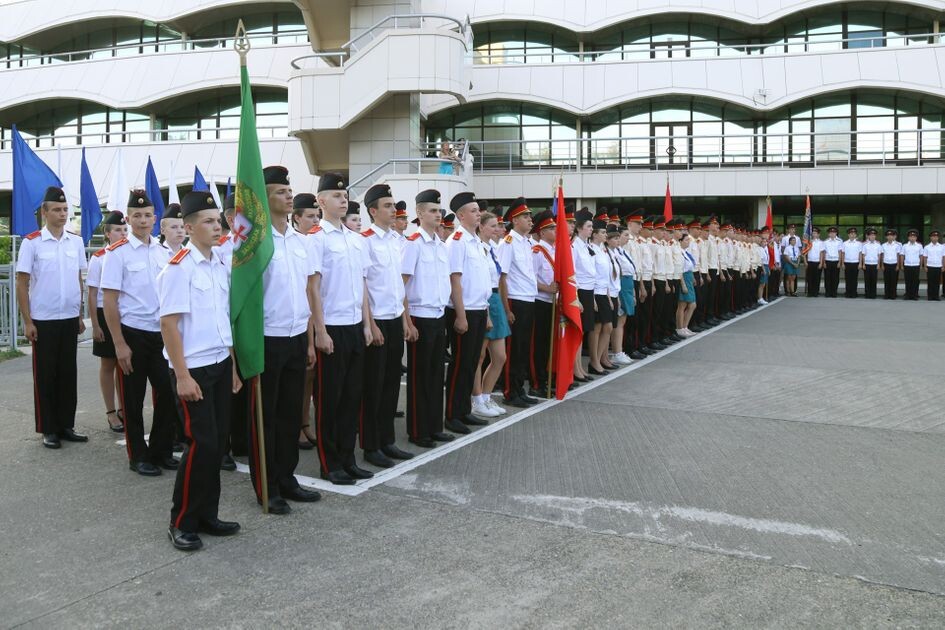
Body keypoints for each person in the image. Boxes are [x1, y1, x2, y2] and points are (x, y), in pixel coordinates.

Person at [157, 191, 242, 552]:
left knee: (217, 444)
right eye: (208, 221)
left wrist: (234, 367)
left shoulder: (220, 264)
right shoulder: (178, 267)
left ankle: (207, 514)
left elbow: (225, 321)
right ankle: (182, 521)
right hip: (194, 369)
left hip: (221, 365)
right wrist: (182, 376)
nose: (217, 226)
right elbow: (169, 325)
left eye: (217, 220)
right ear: (189, 228)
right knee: (200, 445)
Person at [248, 165, 322, 509]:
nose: (289, 195)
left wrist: (308, 341)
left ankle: (287, 477)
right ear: (264, 197)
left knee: (291, 413)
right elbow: (247, 297)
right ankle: (267, 486)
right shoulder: (255, 242)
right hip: (267, 337)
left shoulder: (299, 241)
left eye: (289, 190)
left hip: (295, 336)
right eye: (280, 191)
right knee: (267, 416)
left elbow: (307, 293)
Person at [100, 190, 176, 475]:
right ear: (128, 219)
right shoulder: (116, 253)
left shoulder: (163, 252)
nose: (143, 221)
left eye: (147, 215)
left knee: (168, 394)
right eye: (137, 216)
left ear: (155, 219)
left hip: (160, 334)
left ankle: (161, 450)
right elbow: (109, 301)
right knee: (132, 399)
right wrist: (119, 344)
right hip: (132, 333)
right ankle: (138, 456)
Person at [309, 172, 375, 486]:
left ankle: (348, 458)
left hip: (354, 327)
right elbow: (313, 287)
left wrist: (366, 324)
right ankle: (329, 461)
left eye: (344, 195)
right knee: (329, 400)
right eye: (336, 196)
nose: (342, 199)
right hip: (332, 328)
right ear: (321, 201)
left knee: (352, 397)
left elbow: (361, 284)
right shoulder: (316, 238)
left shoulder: (355, 239)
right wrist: (320, 331)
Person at [15, 186, 89, 450]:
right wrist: (27, 321)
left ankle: (66, 425)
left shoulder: (76, 242)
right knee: (46, 375)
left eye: (65, 209)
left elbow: (77, 280)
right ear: (44, 212)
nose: (62, 214)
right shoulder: (32, 242)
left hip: (68, 317)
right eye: (56, 209)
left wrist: (80, 314)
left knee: (68, 373)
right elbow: (22, 283)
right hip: (43, 319)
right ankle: (48, 428)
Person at [357, 184, 414, 468]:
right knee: (374, 386)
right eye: (389, 206)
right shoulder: (366, 240)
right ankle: (370, 445)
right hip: (377, 319)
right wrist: (370, 324)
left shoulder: (395, 240)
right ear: (373, 211)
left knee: (392, 382)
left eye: (394, 206)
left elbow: (397, 286)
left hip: (394, 318)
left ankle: (387, 440)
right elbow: (364, 285)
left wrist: (405, 319)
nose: (394, 210)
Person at [401, 189, 452, 448]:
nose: (438, 215)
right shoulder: (413, 244)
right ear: (419, 213)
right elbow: (403, 285)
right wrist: (408, 322)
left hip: (438, 315)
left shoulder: (440, 246)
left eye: (439, 211)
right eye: (432, 211)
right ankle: (419, 430)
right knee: (420, 378)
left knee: (434, 376)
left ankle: (435, 425)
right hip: (420, 317)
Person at [443, 191, 493, 429]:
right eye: (473, 211)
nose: (478, 214)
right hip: (464, 311)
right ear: (461, 215)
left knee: (472, 362)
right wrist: (461, 315)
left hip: (479, 309)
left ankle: (464, 410)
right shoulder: (457, 241)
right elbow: (455, 280)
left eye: (478, 210)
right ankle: (452, 414)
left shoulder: (476, 242)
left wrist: (486, 312)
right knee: (460, 364)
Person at [88, 211, 129, 433]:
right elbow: (93, 294)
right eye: (117, 230)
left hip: (127, 314)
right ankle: (111, 412)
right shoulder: (100, 257)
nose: (122, 234)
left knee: (125, 364)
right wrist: (95, 324)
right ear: (107, 233)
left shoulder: (130, 254)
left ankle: (124, 408)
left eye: (125, 230)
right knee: (108, 364)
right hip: (105, 313)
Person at [498, 198, 539, 407]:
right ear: (514, 220)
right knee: (513, 349)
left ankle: (520, 389)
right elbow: (502, 277)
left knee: (524, 348)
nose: (530, 220)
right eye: (525, 216)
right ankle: (510, 391)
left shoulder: (528, 242)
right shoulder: (508, 243)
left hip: (529, 299)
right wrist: (506, 309)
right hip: (515, 301)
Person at [472, 211, 510, 419]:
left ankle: (486, 395)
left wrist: (504, 307)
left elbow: (500, 279)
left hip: (495, 300)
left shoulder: (493, 248)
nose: (498, 229)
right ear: (482, 227)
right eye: (493, 226)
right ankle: (477, 399)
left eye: (498, 225)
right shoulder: (478, 248)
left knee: (500, 356)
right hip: (485, 300)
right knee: (479, 356)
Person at [291, 192, 320, 451]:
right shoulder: (295, 242)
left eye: (317, 215)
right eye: (309, 216)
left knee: (311, 379)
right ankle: (298, 426)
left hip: (312, 318)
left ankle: (306, 423)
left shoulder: (312, 242)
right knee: (300, 379)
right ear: (296, 218)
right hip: (295, 321)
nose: (315, 220)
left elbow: (314, 290)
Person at [530, 210, 559, 393]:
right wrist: (547, 288)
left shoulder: (555, 251)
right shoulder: (537, 252)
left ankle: (546, 377)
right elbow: (530, 278)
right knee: (538, 345)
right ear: (541, 232)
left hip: (552, 303)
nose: (556, 231)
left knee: (549, 344)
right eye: (551, 228)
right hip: (540, 302)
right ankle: (537, 383)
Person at [588, 221, 617, 374]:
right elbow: (591, 275)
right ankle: (594, 361)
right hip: (594, 293)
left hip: (604, 293)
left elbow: (606, 276)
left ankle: (598, 359)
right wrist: (592, 299)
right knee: (597, 328)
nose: (606, 235)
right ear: (594, 235)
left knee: (608, 327)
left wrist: (608, 297)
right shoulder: (591, 249)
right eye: (603, 232)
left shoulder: (602, 250)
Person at [571, 210, 596, 380]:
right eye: (588, 226)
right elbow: (572, 273)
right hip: (579, 291)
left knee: (584, 332)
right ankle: (575, 369)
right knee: (578, 333)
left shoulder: (586, 246)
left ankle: (579, 367)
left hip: (589, 290)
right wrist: (576, 298)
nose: (591, 230)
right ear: (579, 228)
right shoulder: (574, 246)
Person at [612, 222, 636, 364]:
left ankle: (619, 350)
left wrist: (632, 292)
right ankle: (617, 352)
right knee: (619, 320)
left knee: (623, 319)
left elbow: (631, 271)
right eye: (625, 235)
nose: (628, 238)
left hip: (628, 284)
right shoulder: (614, 252)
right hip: (620, 285)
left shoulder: (623, 251)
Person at [676, 232, 698, 337]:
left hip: (689, 277)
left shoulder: (686, 252)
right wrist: (683, 284)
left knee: (692, 305)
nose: (688, 242)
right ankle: (680, 328)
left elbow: (690, 267)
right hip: (683, 278)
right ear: (680, 241)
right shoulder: (679, 252)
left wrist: (693, 278)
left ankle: (685, 327)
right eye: (686, 240)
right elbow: (680, 269)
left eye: (689, 240)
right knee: (682, 305)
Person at [880, 229, 903, 299]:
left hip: (894, 264)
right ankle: (887, 294)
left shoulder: (897, 245)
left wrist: (898, 265)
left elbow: (898, 255)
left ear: (893, 237)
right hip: (886, 264)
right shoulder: (883, 245)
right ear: (886, 237)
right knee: (887, 280)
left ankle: (893, 294)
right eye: (888, 236)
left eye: (891, 236)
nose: (890, 237)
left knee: (894, 280)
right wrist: (882, 265)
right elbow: (882, 255)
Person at [840, 227, 862, 298]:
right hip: (847, 263)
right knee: (848, 278)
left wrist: (860, 263)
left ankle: (854, 293)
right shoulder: (845, 243)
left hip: (855, 263)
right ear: (848, 235)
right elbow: (843, 253)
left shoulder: (859, 244)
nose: (852, 235)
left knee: (854, 279)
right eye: (851, 233)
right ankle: (848, 292)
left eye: (854, 234)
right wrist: (842, 263)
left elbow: (860, 254)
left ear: (856, 235)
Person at [922, 230, 943, 301]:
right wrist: (925, 266)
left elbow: (943, 257)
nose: (935, 238)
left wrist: (943, 266)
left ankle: (936, 296)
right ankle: (930, 296)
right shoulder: (927, 247)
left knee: (937, 282)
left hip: (938, 266)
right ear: (930, 238)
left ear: (938, 238)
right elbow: (925, 257)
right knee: (930, 282)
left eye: (936, 237)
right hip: (930, 266)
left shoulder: (941, 247)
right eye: (933, 237)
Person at [901, 229, 923, 300]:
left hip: (916, 265)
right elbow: (902, 256)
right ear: (908, 237)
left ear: (916, 238)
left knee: (915, 281)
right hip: (907, 265)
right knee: (908, 280)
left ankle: (914, 295)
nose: (912, 238)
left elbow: (921, 256)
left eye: (914, 237)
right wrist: (901, 265)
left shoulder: (919, 246)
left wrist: (921, 265)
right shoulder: (905, 246)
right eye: (911, 236)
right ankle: (908, 295)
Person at [861, 228, 882, 299]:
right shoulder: (865, 245)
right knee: (867, 280)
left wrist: (879, 264)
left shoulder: (878, 245)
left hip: (875, 264)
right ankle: (867, 294)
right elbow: (863, 255)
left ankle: (873, 294)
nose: (872, 236)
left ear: (875, 236)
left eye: (874, 235)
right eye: (871, 235)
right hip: (867, 264)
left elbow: (879, 255)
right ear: (868, 236)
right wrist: (863, 264)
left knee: (874, 280)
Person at [822, 227, 842, 298]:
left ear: (836, 233)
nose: (832, 234)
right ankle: (827, 292)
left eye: (834, 232)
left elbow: (840, 252)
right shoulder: (825, 242)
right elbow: (824, 252)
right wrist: (823, 262)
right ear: (829, 234)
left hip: (836, 261)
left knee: (835, 278)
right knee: (827, 278)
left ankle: (834, 292)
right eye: (831, 233)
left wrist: (840, 262)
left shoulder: (839, 241)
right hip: (827, 261)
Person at [804, 227, 825, 297]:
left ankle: (815, 292)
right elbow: (805, 253)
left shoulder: (821, 243)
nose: (814, 234)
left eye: (815, 233)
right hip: (810, 262)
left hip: (817, 262)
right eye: (813, 233)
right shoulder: (809, 242)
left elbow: (822, 253)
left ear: (818, 234)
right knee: (809, 278)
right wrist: (805, 261)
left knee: (817, 278)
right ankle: (810, 292)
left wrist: (821, 263)